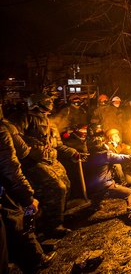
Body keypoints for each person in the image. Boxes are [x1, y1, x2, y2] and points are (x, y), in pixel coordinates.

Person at [0, 106, 56, 272]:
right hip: (7, 188)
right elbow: (10, 167)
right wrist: (28, 197)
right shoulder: (3, 130)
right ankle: (36, 259)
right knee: (19, 220)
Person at [18, 94, 81, 237]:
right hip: (35, 162)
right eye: (48, 99)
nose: (51, 102)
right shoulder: (25, 118)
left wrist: (73, 152)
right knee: (57, 187)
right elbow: (16, 139)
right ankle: (52, 226)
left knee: (67, 184)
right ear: (38, 102)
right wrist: (31, 150)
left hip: (52, 160)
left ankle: (59, 216)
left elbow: (58, 145)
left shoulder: (50, 122)